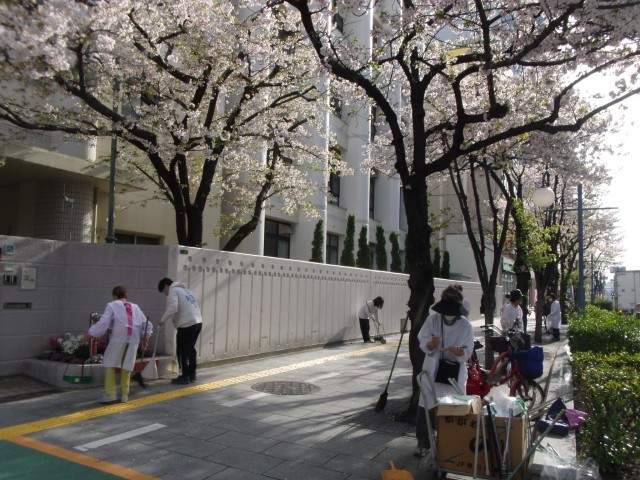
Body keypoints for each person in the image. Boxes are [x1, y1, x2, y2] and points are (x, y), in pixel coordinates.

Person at [415, 286, 474, 457]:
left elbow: (467, 350)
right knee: (425, 406)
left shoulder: (465, 325)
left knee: (453, 408)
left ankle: (451, 442)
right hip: (433, 369)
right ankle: (423, 443)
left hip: (454, 372)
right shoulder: (432, 319)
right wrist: (431, 344)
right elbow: (423, 340)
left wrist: (459, 352)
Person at [86, 285, 152, 403]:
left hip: (119, 336)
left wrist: (90, 334)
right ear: (126, 296)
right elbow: (147, 324)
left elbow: (104, 322)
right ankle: (125, 395)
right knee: (127, 364)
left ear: (114, 296)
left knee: (109, 362)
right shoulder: (135, 307)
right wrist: (145, 338)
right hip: (134, 337)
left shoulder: (112, 305)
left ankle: (110, 394)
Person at [158, 277, 203, 385]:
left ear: (166, 286)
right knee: (190, 349)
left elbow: (173, 307)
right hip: (197, 322)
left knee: (182, 351)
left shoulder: (173, 290)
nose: (166, 294)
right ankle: (192, 375)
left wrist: (162, 319)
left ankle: (184, 376)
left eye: (164, 291)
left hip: (187, 324)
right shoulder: (187, 291)